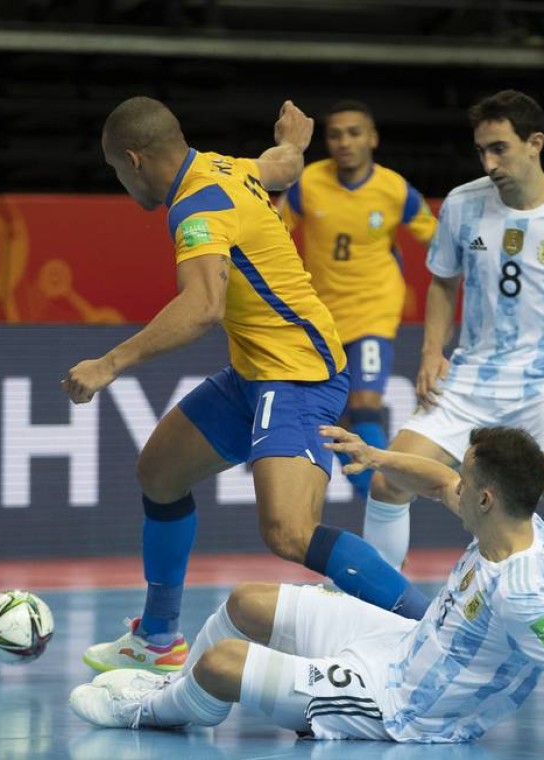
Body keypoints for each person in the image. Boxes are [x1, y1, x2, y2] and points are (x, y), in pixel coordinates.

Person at [69, 425, 544, 760]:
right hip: (398, 643)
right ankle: (201, 705)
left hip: (399, 703)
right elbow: (433, 478)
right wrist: (376, 460)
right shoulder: (515, 516)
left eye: (465, 479)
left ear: (485, 497)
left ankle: (155, 710)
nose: (451, 484)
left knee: (219, 664)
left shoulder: (523, 596)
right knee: (247, 602)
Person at [61, 97, 430, 674]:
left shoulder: (197, 206)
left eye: (116, 170)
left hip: (299, 371)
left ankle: (435, 632)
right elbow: (277, 167)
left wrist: (109, 364)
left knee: (288, 531)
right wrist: (294, 145)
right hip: (257, 370)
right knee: (158, 474)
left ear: (134, 159)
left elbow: (203, 306)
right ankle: (157, 638)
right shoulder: (222, 166)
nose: (121, 181)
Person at [361, 89, 544, 680]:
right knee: (389, 475)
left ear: (535, 144)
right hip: (471, 377)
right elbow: (443, 281)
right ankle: (378, 617)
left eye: (499, 150)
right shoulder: (462, 204)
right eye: (481, 152)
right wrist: (431, 351)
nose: (489, 164)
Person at [279, 100, 438, 501]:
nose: (344, 142)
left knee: (365, 405)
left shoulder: (394, 190)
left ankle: (381, 501)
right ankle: (372, 494)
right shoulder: (308, 182)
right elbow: (274, 232)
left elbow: (438, 242)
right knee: (330, 416)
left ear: (372, 138)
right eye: (335, 134)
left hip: (373, 313)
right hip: (320, 317)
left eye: (354, 133)